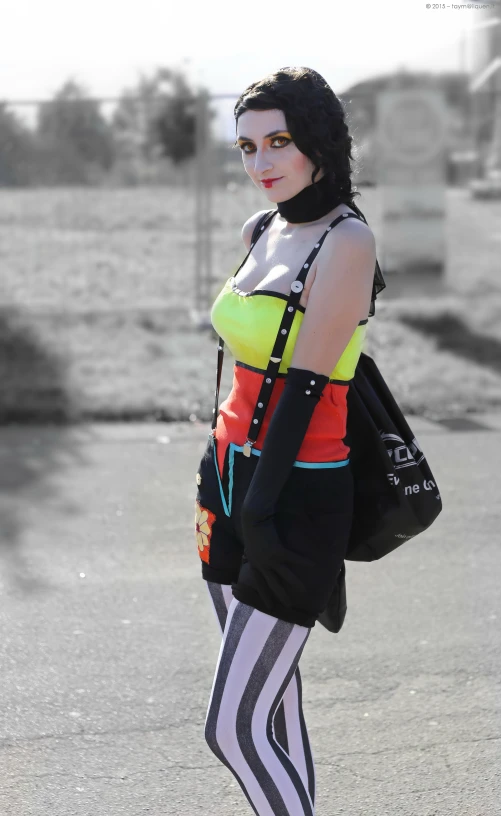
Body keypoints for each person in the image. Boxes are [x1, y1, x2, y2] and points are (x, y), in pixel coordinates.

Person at [194, 66, 385, 816]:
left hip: (295, 491)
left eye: (278, 141)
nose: (261, 162)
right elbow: (238, 360)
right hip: (228, 476)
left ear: (316, 141)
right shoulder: (259, 229)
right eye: (245, 147)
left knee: (232, 729)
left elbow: (304, 388)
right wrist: (218, 467)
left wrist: (264, 510)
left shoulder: (347, 241)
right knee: (272, 705)